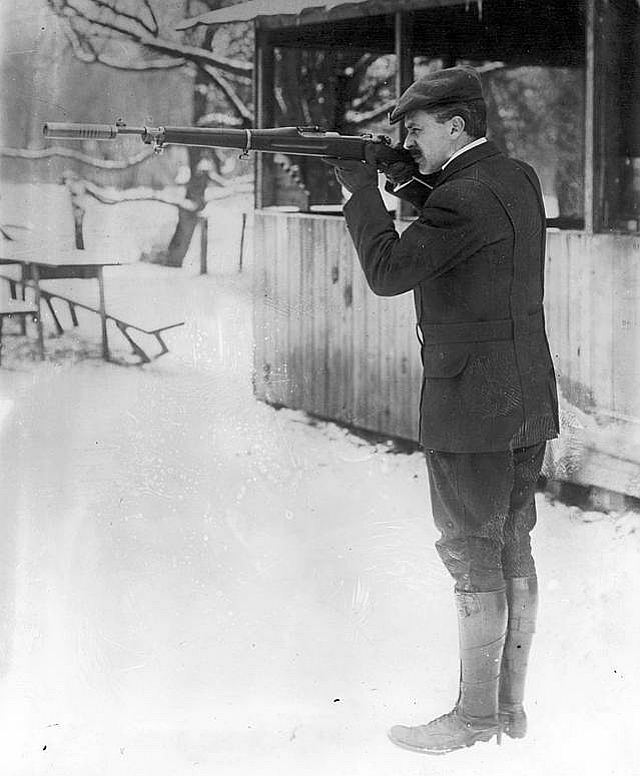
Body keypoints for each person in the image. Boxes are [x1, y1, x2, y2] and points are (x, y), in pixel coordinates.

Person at [325, 65, 559, 755]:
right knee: (512, 542)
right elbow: (463, 218)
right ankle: (506, 708)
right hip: (525, 394)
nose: (407, 140)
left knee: (469, 550)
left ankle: (472, 718)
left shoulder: (458, 200)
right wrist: (406, 179)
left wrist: (360, 192)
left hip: (471, 403)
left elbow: (389, 272)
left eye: (417, 129)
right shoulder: (514, 178)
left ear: (456, 125)